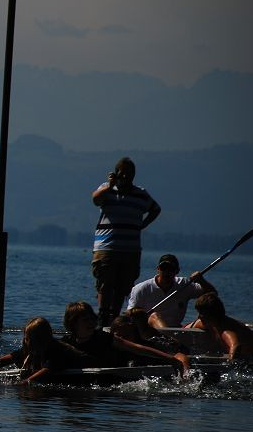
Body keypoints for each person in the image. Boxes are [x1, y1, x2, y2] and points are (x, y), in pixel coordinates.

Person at [91, 157, 161, 326]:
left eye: (130, 174)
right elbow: (95, 199)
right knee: (105, 284)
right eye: (123, 174)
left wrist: (143, 224)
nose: (126, 178)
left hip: (130, 250)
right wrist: (109, 184)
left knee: (123, 286)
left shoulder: (141, 193)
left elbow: (155, 209)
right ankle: (102, 318)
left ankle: (114, 318)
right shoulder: (106, 189)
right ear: (116, 174)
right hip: (107, 247)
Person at [0, 317, 83, 383]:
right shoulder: (27, 350)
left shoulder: (57, 352)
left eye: (29, 339)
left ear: (45, 339)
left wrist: (22, 384)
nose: (26, 342)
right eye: (26, 338)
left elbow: (45, 371)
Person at [126, 254, 215, 327]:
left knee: (205, 321)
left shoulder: (184, 285)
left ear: (177, 271)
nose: (167, 272)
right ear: (158, 269)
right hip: (149, 330)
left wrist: (201, 281)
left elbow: (212, 295)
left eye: (171, 269)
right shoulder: (141, 288)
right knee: (154, 316)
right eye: (163, 268)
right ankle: (170, 342)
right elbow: (130, 314)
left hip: (176, 329)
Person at [108, 315, 190, 374]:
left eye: (127, 336)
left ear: (135, 336)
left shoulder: (148, 347)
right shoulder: (107, 347)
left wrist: (185, 374)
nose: (122, 340)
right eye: (118, 336)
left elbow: (179, 356)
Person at [190, 293, 253, 360]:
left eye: (201, 313)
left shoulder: (225, 330)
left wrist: (230, 364)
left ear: (211, 314)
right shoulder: (212, 323)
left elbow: (236, 346)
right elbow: (193, 325)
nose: (198, 316)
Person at [60, 301, 116, 367]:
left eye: (92, 318)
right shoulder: (65, 343)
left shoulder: (105, 338)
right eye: (85, 320)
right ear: (73, 323)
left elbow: (130, 347)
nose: (91, 322)